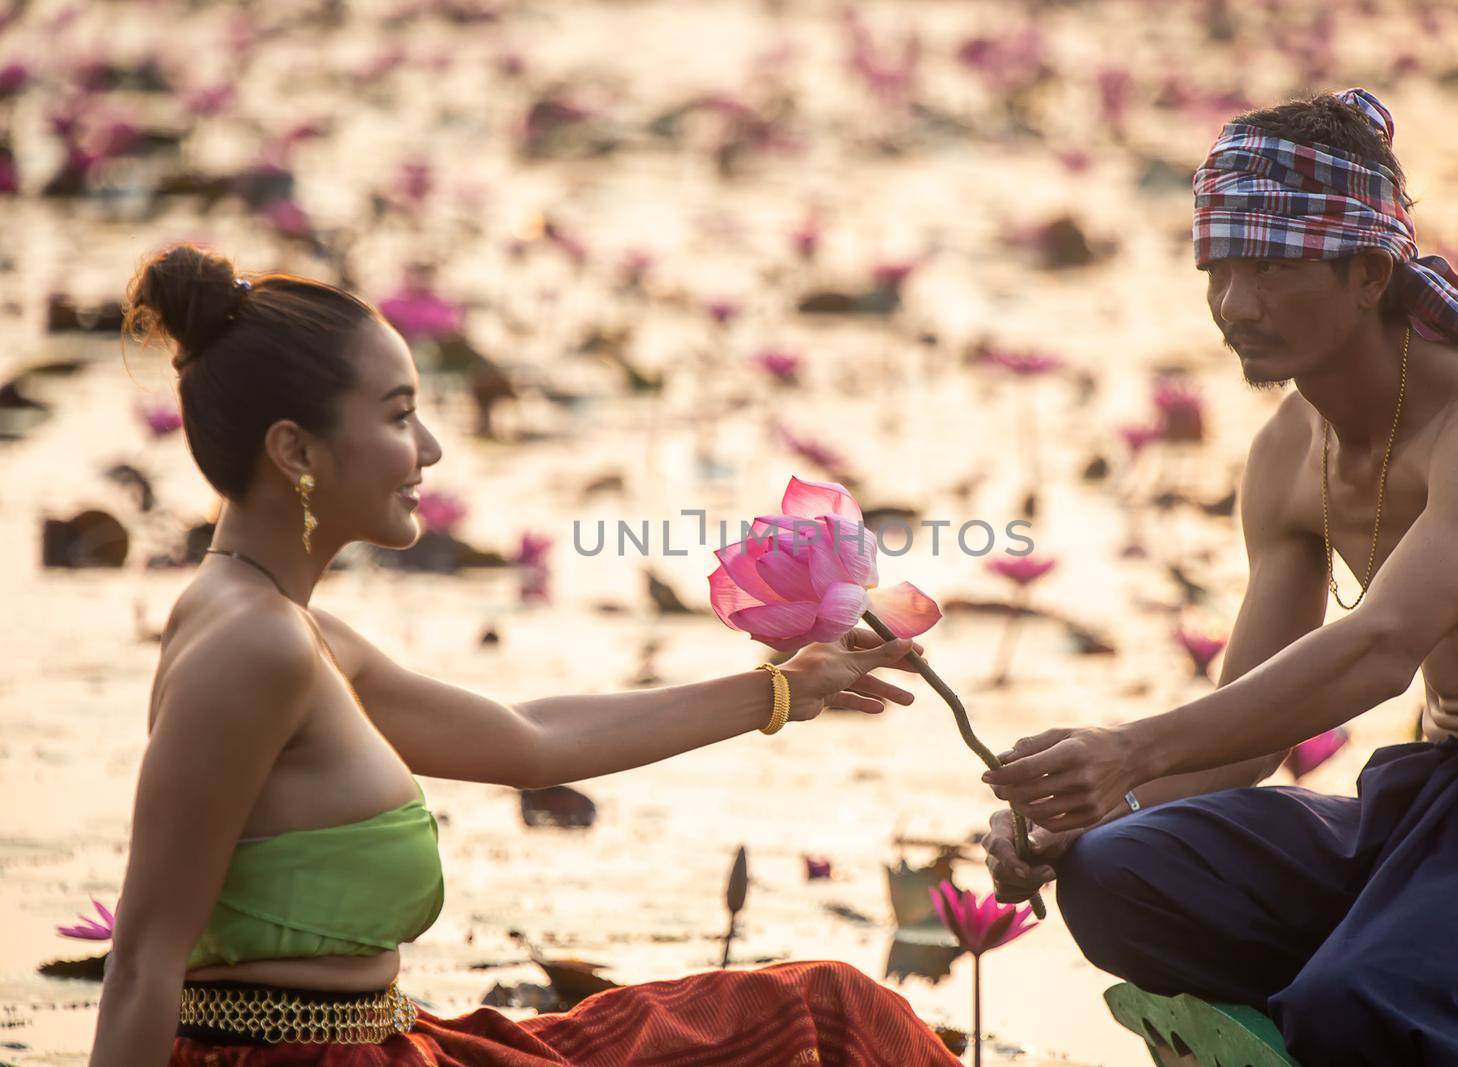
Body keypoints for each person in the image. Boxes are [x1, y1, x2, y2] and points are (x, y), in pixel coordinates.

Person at [93, 243, 963, 1067]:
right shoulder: (254, 644)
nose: (430, 449)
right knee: (833, 1021)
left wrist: (782, 687)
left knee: (827, 1008)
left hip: (393, 1042)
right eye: (400, 416)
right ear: (295, 450)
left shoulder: (287, 630)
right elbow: (140, 965)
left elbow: (528, 740)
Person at [980, 89, 1458, 1066]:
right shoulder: (1284, 452)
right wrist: (1076, 817)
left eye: (1269, 266)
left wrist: (1127, 750)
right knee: (1111, 874)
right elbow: (1241, 738)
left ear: (1366, 271)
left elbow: (1383, 646)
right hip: (1431, 804)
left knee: (1354, 1002)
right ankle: (1408, 979)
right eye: (1218, 265)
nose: (1235, 304)